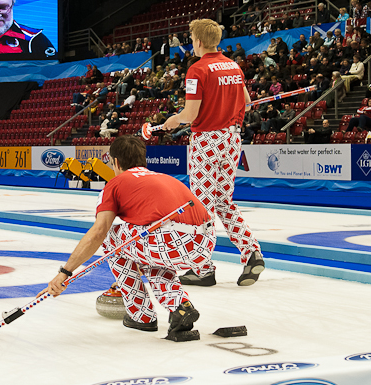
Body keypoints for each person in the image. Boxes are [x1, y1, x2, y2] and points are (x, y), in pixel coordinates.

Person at [43, 136, 215, 340]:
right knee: (152, 259)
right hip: (205, 245)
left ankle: (140, 314)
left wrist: (65, 272)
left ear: (115, 162)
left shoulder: (115, 184)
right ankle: (179, 306)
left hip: (169, 242)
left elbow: (99, 233)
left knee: (112, 237)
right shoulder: (164, 177)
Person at [163, 18, 264, 286]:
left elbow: (190, 114)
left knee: (202, 205)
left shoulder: (197, 70)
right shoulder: (234, 66)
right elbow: (247, 102)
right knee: (223, 201)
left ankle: (203, 268)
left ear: (197, 41)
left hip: (206, 140)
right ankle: (251, 251)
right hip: (231, 140)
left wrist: (173, 120)